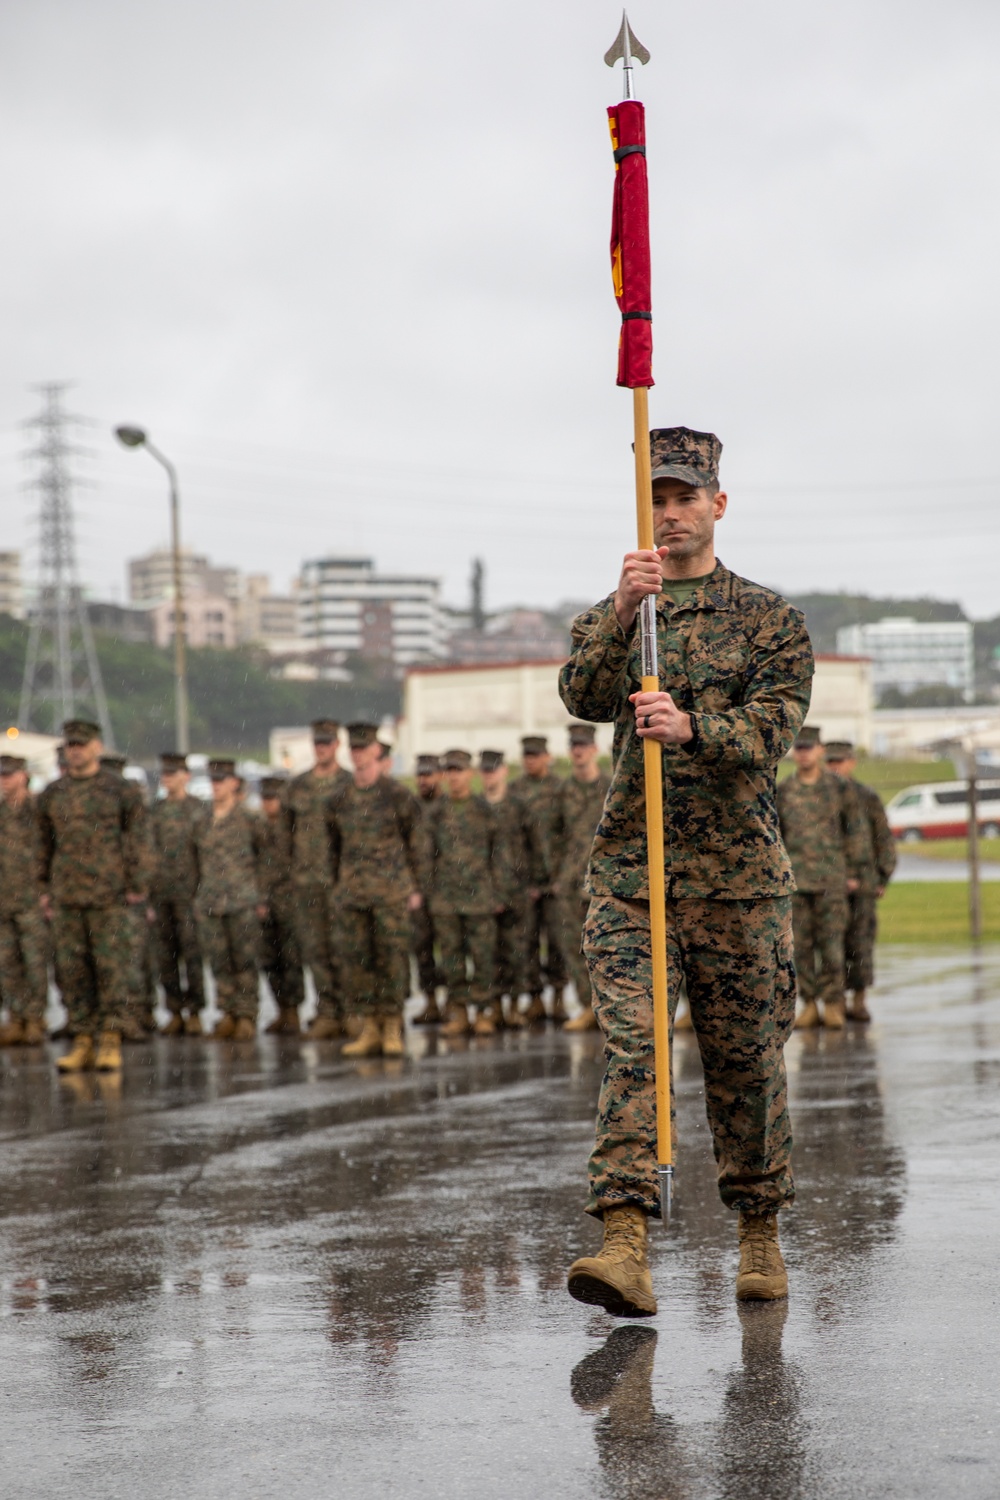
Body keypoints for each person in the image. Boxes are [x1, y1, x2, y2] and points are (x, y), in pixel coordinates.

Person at [559, 426, 813, 1316]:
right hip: (635, 873)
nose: (671, 513)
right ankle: (623, 1240)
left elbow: (775, 730)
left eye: (686, 497)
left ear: (718, 505)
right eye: (657, 498)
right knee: (635, 1052)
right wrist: (623, 616)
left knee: (745, 1062)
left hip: (737, 881)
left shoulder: (769, 618)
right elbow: (582, 698)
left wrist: (695, 728)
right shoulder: (628, 608)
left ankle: (758, 1233)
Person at [38, 718, 153, 1074]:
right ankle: (83, 1039)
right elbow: (43, 845)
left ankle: (110, 1039)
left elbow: (139, 839)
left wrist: (138, 883)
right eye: (71, 745)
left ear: (97, 748)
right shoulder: (53, 794)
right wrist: (42, 888)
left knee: (111, 970)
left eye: (82, 745)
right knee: (73, 972)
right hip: (68, 896)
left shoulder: (120, 790)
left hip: (108, 896)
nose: (76, 750)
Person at [325, 724, 429, 1059]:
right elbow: (332, 847)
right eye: (353, 749)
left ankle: (392, 1025)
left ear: (375, 752)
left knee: (393, 959)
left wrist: (415, 886)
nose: (357, 754)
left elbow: (418, 843)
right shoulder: (339, 798)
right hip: (354, 893)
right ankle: (370, 1026)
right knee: (358, 961)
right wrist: (337, 885)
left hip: (391, 892)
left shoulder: (397, 795)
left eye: (363, 748)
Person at [777, 726, 864, 1031]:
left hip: (831, 880)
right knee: (800, 948)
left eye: (808, 747)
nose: (803, 753)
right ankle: (810, 1003)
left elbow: (855, 832)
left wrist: (854, 872)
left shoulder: (839, 788)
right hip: (797, 882)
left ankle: (834, 1003)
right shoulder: (784, 790)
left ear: (820, 750)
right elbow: (778, 836)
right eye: (798, 748)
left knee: (831, 946)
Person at [281, 719, 351, 1040]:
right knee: (315, 950)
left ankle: (350, 1011)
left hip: (340, 880)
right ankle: (327, 1011)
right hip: (306, 880)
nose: (321, 748)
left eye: (327, 742)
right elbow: (284, 836)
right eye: (317, 743)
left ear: (337, 745)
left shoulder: (349, 784)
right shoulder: (297, 787)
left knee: (345, 948)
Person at [427, 749, 503, 1037]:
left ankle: (484, 1011)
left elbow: (499, 855)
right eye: (450, 771)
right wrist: (429, 891)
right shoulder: (436, 812)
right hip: (446, 898)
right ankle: (458, 1011)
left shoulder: (484, 810)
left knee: (483, 957)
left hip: (480, 896)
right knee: (452, 960)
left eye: (459, 770)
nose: (454, 777)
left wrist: (498, 892)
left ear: (470, 774)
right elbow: (427, 855)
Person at [195, 758, 267, 1040]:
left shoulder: (249, 819)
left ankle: (247, 1015)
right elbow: (194, 860)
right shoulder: (202, 821)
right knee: (220, 961)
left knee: (245, 960)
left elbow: (266, 858)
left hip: (242, 900)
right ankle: (228, 1012)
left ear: (234, 783)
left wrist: (261, 895)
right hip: (211, 900)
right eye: (213, 780)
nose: (216, 786)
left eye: (221, 780)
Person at [824, 740, 896, 1023]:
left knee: (861, 942)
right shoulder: (821, 796)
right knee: (831, 944)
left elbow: (883, 837)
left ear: (852, 762)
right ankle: (835, 1001)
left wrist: (882, 875)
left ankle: (859, 1000)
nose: (835, 766)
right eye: (830, 761)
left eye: (840, 761)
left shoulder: (866, 796)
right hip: (830, 881)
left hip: (864, 880)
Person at [549, 725, 610, 1032]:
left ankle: (611, 1010)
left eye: (584, 745)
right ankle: (587, 1006)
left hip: (605, 883)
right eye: (574, 745)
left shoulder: (611, 787)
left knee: (610, 950)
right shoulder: (562, 791)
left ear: (594, 749)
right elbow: (553, 835)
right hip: (571, 884)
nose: (578, 751)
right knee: (575, 950)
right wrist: (558, 875)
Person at [99, 751, 157, 1040]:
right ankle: (111, 1019)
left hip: (127, 896)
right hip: (101, 894)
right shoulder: (94, 811)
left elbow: (143, 851)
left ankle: (134, 1015)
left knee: (131, 959)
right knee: (108, 961)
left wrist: (141, 890)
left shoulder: (132, 810)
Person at [509, 734, 567, 1023]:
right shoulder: (515, 790)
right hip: (527, 881)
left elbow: (570, 833)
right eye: (527, 755)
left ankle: (558, 997)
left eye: (536, 755)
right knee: (527, 941)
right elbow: (512, 839)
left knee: (557, 939)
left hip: (556, 880)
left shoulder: (560, 788)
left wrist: (563, 876)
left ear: (547, 756)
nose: (530, 760)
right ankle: (534, 999)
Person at [150, 751, 207, 1035]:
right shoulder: (155, 811)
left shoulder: (199, 810)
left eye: (172, 774)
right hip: (161, 894)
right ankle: (174, 1010)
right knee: (165, 956)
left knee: (193, 954)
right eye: (164, 774)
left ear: (185, 777)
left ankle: (195, 1011)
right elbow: (147, 852)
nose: (167, 779)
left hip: (190, 893)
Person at [479, 749, 535, 1027]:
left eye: (494, 770)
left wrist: (533, 883)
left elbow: (533, 845)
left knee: (515, 952)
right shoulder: (476, 807)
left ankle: (513, 1006)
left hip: (516, 890)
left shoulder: (518, 805)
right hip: (484, 892)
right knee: (487, 954)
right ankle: (493, 1007)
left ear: (504, 772)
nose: (489, 775)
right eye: (485, 770)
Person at [0, 754, 49, 1047]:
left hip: (32, 897)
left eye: (10, 774)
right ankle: (16, 1017)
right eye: (2, 775)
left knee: (34, 962)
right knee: (7, 962)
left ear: (23, 776)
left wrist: (47, 891)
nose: (5, 780)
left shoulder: (37, 810)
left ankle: (34, 1018)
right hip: (5, 899)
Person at [258, 773, 305, 1033]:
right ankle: (281, 1009)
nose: (268, 804)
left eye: (273, 798)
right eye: (265, 798)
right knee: (269, 959)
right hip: (265, 902)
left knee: (292, 958)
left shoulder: (294, 829)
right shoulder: (257, 827)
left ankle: (294, 1011)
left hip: (290, 900)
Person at [410, 754, 444, 1025]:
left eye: (429, 774)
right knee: (422, 949)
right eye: (420, 775)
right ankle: (431, 1002)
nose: (423, 780)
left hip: (447, 890)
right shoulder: (411, 808)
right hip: (418, 891)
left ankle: (456, 1003)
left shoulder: (448, 807)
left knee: (452, 949)